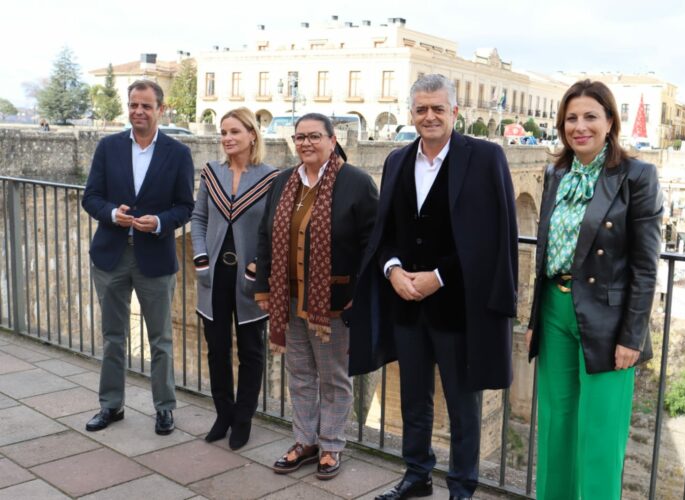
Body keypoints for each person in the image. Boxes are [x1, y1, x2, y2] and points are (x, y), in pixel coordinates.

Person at [349, 74, 519, 500]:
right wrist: (391, 270)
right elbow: (385, 231)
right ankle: (417, 474)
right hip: (407, 304)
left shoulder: (484, 158)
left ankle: (462, 486)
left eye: (438, 109)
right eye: (422, 109)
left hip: (460, 307)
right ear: (412, 114)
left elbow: (492, 235)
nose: (429, 116)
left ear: (454, 112)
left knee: (463, 405)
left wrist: (439, 276)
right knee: (413, 398)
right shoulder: (396, 161)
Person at [525, 79, 663, 499]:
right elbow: (545, 251)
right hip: (554, 308)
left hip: (608, 318)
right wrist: (533, 319)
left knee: (600, 437)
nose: (579, 126)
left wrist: (631, 337)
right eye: (571, 118)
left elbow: (645, 265)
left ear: (609, 122)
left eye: (590, 116)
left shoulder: (637, 176)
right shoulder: (556, 172)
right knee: (555, 426)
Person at [254, 113, 378, 479]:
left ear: (332, 138)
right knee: (301, 373)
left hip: (333, 303)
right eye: (300, 137)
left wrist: (361, 292)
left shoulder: (356, 183)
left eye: (314, 136)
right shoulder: (283, 182)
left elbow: (373, 242)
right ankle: (305, 441)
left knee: (334, 376)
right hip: (287, 299)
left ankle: (332, 445)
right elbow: (265, 235)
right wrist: (263, 287)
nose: (306, 143)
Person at [81, 79, 195, 435]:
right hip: (111, 255)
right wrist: (113, 214)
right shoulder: (108, 147)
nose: (139, 112)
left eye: (146, 106)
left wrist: (160, 221)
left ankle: (164, 408)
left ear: (161, 109)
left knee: (160, 338)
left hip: (155, 259)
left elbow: (185, 207)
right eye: (133, 105)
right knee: (113, 336)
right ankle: (111, 405)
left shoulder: (178, 154)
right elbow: (91, 197)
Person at [191, 107, 279, 449]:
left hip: (249, 277)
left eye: (234, 132)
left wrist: (257, 265)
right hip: (213, 274)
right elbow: (199, 219)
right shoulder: (211, 172)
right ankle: (223, 414)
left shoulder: (272, 178)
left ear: (252, 135)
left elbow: (273, 229)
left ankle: (243, 419)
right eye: (223, 132)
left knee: (252, 351)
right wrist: (200, 260)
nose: (227, 138)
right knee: (216, 349)